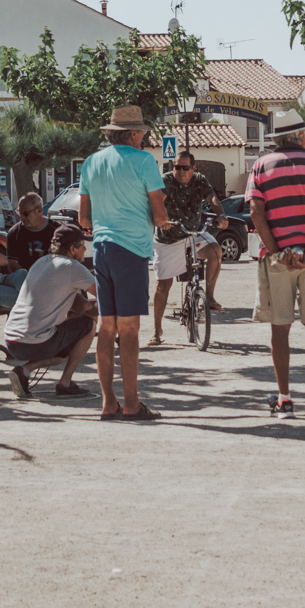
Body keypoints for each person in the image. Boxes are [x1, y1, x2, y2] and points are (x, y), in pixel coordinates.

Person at [246, 110, 305, 416]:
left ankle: (284, 397)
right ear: (302, 136)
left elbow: (256, 212)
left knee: (280, 328)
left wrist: (276, 252)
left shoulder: (260, 166)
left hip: (276, 260)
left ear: (278, 139)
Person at [76, 105, 169, 421]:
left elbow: (84, 218)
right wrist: (164, 223)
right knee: (129, 329)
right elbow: (159, 213)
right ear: (132, 133)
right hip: (131, 250)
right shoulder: (144, 160)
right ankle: (131, 404)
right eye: (142, 131)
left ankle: (107, 402)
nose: (144, 136)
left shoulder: (91, 162)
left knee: (107, 325)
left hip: (102, 248)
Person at [2, 225, 97, 400]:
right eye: (82, 244)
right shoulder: (72, 267)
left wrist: (90, 309)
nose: (85, 248)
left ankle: (24, 370)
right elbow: (106, 295)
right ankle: (65, 384)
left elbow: (80, 304)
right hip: (35, 342)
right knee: (88, 325)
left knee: (66, 348)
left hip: (12, 341)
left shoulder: (43, 261)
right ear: (72, 248)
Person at [151, 150, 225, 345]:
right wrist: (162, 219)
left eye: (185, 167)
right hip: (169, 238)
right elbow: (157, 201)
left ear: (193, 168)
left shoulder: (199, 180)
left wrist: (221, 215)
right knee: (163, 285)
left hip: (192, 233)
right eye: (177, 167)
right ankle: (157, 330)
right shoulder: (166, 180)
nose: (181, 171)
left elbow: (212, 199)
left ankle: (208, 296)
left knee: (216, 251)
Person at [5, 193, 59, 270]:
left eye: (25, 213)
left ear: (39, 210)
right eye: (19, 213)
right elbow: (12, 262)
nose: (22, 217)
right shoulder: (14, 233)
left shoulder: (56, 230)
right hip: (25, 279)